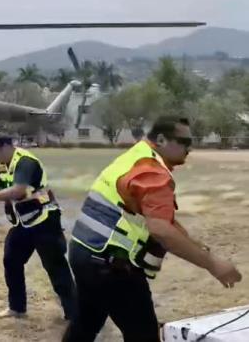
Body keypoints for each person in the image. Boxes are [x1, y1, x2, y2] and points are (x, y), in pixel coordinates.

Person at [62, 116, 243, 342]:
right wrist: (213, 264)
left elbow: (157, 219)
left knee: (86, 322)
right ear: (161, 139)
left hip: (84, 252)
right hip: (111, 264)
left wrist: (196, 246)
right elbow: (160, 230)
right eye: (184, 141)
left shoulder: (137, 156)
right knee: (143, 334)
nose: (190, 147)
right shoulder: (151, 172)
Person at [0, 134, 76, 320]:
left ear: (5, 147)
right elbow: (3, 189)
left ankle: (75, 313)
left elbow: (18, 191)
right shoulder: (5, 166)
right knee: (11, 260)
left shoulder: (25, 162)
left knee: (55, 266)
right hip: (25, 222)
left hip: (45, 221)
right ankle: (17, 308)